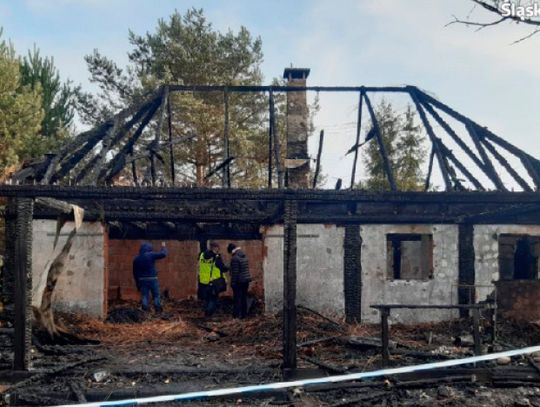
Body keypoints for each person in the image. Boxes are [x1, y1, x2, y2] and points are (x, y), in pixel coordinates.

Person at [133, 241, 167, 313]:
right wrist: (163, 246)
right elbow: (163, 254)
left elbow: (135, 273)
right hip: (152, 279)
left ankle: (145, 310)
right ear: (149, 249)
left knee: (145, 296)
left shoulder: (136, 259)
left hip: (142, 280)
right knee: (156, 295)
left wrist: (137, 284)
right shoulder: (151, 255)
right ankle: (157, 309)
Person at [198, 241, 228, 317]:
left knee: (207, 298)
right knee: (213, 299)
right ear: (215, 248)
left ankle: (207, 312)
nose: (218, 250)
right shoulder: (216, 257)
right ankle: (208, 313)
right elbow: (223, 268)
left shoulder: (201, 255)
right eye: (218, 248)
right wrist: (229, 266)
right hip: (213, 282)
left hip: (203, 281)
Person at [227, 243, 252, 319]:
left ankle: (236, 315)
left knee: (237, 298)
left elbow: (235, 272)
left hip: (239, 281)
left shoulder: (235, 258)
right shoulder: (244, 256)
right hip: (246, 280)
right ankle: (244, 315)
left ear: (232, 251)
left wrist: (233, 283)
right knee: (243, 297)